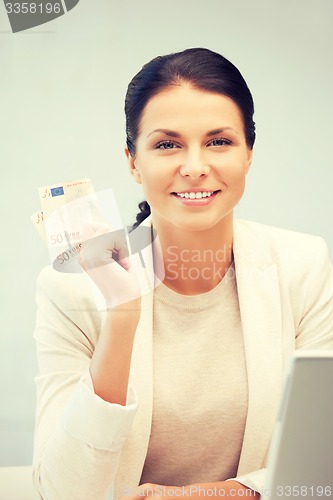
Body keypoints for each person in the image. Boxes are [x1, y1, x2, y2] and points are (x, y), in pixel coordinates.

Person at [32, 48, 333, 500]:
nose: (194, 167)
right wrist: (123, 316)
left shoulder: (303, 266)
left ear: (249, 153)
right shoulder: (67, 290)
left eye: (218, 141)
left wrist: (216, 495)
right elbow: (58, 492)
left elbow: (321, 462)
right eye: (167, 144)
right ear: (133, 161)